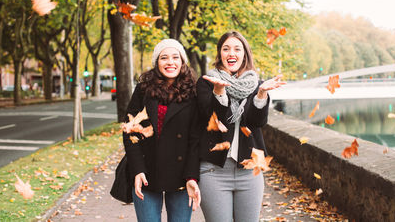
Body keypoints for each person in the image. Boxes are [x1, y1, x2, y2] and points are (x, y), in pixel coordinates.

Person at [194, 31, 285, 222]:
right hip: (214, 171)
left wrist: (260, 95)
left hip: (249, 172)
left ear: (245, 54)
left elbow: (256, 122)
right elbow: (213, 120)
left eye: (237, 48)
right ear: (220, 54)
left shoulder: (256, 85)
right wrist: (219, 94)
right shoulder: (207, 83)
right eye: (226, 49)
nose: (231, 53)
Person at [122, 39, 201, 222]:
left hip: (181, 175)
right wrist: (137, 169)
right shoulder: (143, 89)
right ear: (157, 62)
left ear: (182, 61)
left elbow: (195, 138)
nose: (170, 62)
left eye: (175, 57)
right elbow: (130, 130)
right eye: (164, 57)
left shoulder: (193, 91)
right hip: (147, 171)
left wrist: (192, 176)